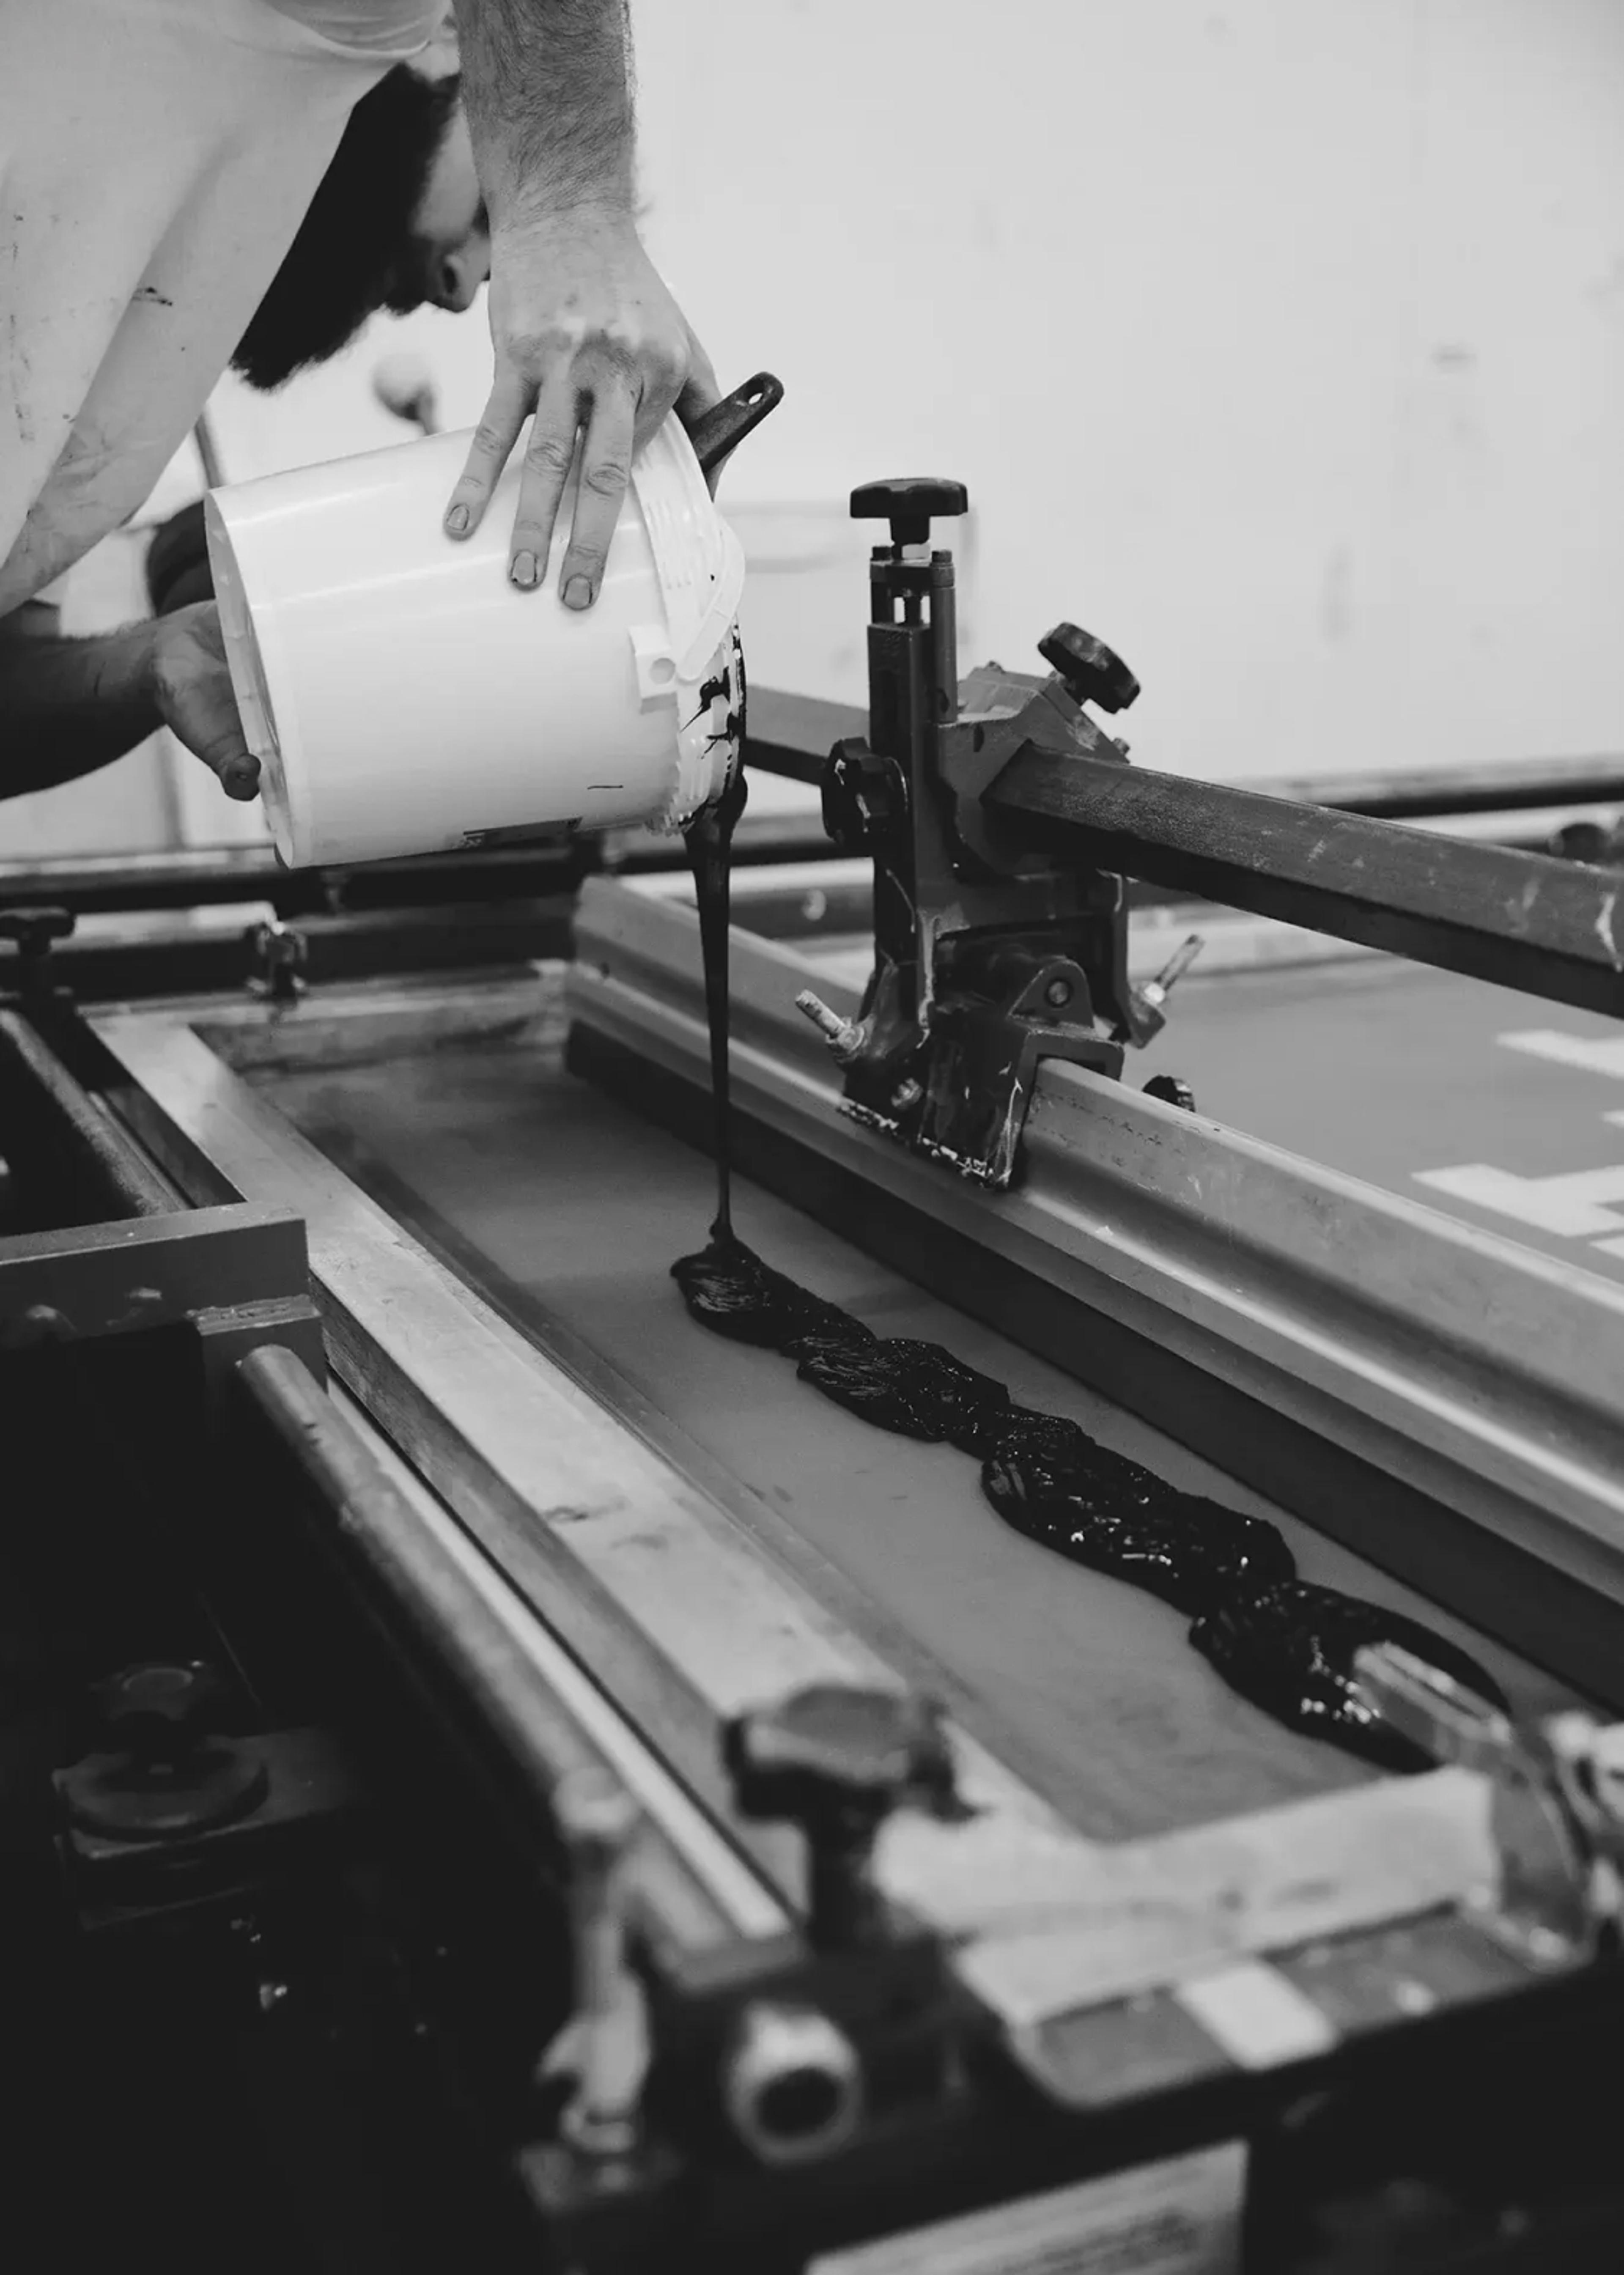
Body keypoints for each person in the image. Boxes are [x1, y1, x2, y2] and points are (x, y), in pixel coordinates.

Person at [0, 1, 719, 807]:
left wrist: (150, 664)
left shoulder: (119, 386)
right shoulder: (333, 21)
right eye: (491, 212)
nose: (453, 292)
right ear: (450, 35)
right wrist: (567, 207)